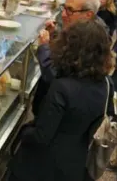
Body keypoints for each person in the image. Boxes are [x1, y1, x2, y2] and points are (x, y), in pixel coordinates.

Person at [8, 20, 115, 181]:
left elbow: (41, 136)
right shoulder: (107, 84)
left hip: (39, 167)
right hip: (75, 162)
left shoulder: (62, 87)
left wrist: (22, 133)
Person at [32, 0, 109, 116]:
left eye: (70, 10)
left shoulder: (91, 39)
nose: (63, 14)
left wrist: (44, 47)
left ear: (88, 14)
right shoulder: (82, 28)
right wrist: (55, 33)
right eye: (64, 8)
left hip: (59, 114)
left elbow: (54, 74)